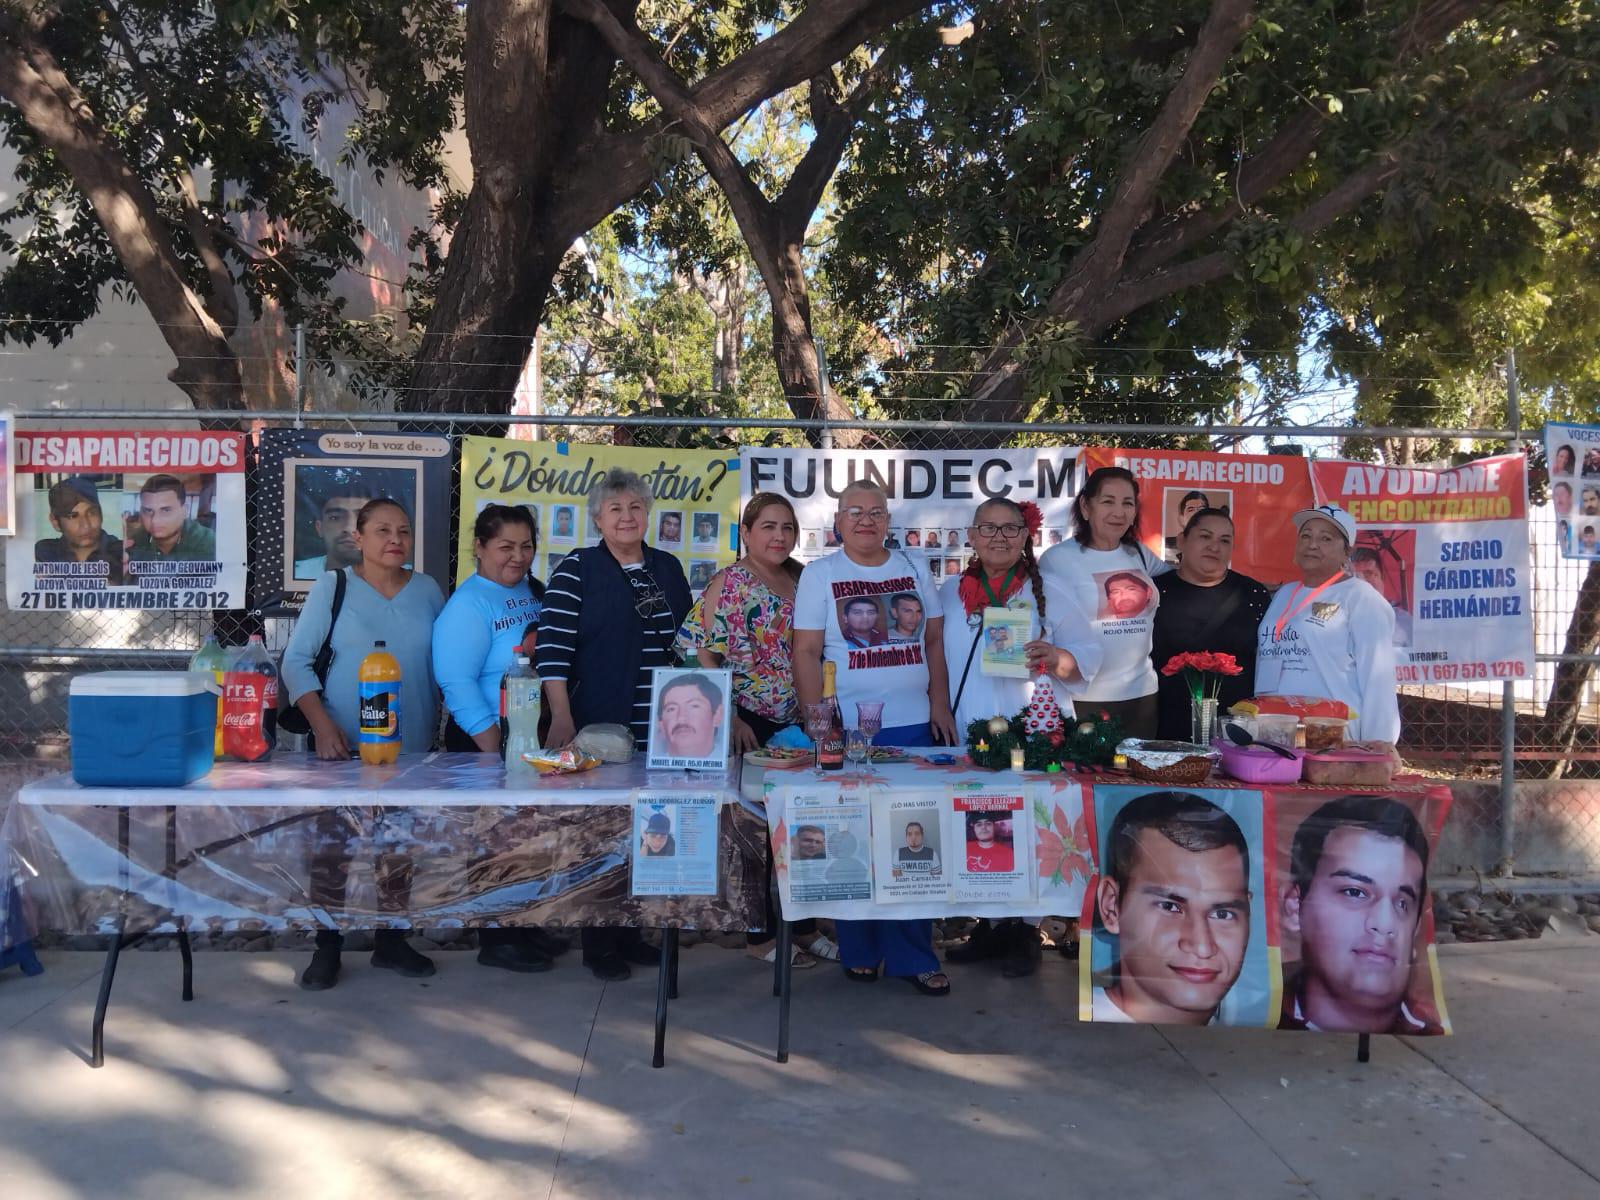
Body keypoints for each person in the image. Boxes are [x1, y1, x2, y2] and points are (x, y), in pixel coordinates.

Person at [794, 480, 956, 997]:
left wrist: (939, 702)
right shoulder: (821, 574)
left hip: (913, 725)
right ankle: (859, 950)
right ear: (837, 522)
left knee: (914, 839)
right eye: (855, 512)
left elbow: (934, 641)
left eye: (876, 512)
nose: (866, 520)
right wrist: (818, 719)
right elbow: (806, 652)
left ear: (888, 521)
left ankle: (913, 956)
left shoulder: (913, 567)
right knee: (852, 837)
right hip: (845, 728)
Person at [284, 498, 446, 990]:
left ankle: (391, 941)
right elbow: (296, 662)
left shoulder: (428, 590)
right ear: (359, 537)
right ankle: (327, 945)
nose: (395, 539)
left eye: (403, 531)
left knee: (397, 847)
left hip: (408, 748)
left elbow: (447, 660)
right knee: (333, 848)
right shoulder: (333, 587)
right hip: (341, 749)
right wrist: (322, 727)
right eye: (382, 530)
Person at [537, 468, 692, 981]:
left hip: (663, 730)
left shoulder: (667, 567)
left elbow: (687, 644)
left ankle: (632, 932)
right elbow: (553, 649)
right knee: (601, 832)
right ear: (598, 519)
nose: (627, 517)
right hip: (597, 725)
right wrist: (562, 715)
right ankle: (598, 942)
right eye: (615, 509)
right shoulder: (577, 569)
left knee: (648, 828)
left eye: (635, 507)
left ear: (648, 514)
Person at [940, 497, 1098, 975]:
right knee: (981, 826)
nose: (999, 538)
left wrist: (1057, 658)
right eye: (988, 528)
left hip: (1035, 729)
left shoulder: (1051, 589)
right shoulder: (949, 593)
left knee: (1031, 826)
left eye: (1010, 528)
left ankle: (1025, 931)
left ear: (1026, 535)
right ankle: (990, 925)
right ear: (972, 536)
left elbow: (1089, 653)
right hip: (973, 728)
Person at [430, 503, 564, 973]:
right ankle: (496, 938)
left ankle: (522, 924)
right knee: (492, 840)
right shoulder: (468, 604)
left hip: (527, 738)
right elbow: (455, 681)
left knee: (526, 838)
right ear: (480, 547)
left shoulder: (533, 590)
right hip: (485, 740)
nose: (518, 556)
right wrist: (493, 746)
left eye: (526, 546)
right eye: (506, 546)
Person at [1280, 795, 1442, 1034]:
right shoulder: (1261, 1009)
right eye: (1354, 892)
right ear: (1295, 906)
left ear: (1416, 927)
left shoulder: (1427, 1026)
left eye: (1402, 903)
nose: (1385, 923)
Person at [1092, 791, 1252, 1025]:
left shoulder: (1251, 1038)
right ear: (1111, 907)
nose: (1202, 947)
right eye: (1170, 907)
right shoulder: (1069, 1032)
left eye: (1222, 914)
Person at [1039, 466, 1171, 737]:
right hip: (1083, 698)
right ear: (1085, 507)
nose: (1119, 512)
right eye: (1108, 501)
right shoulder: (1057, 560)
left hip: (1142, 697)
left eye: (1127, 503)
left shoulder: (1139, 553)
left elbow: (1182, 580)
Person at [1256, 504, 1401, 743]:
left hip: (1332, 735)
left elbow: (1377, 676)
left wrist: (1379, 741)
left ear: (1347, 552)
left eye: (1326, 538)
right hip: (1276, 731)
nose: (1312, 544)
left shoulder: (1360, 598)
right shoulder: (1285, 594)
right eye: (1306, 536)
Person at [1151, 509, 1271, 741]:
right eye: (1205, 536)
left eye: (1224, 541)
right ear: (1182, 540)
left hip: (1235, 734)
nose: (1214, 547)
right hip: (1164, 732)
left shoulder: (1253, 594)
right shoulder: (1153, 592)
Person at [33, 476, 125, 584]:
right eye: (73, 516)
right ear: (55, 522)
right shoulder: (43, 554)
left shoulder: (123, 554)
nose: (85, 525)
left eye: (91, 513)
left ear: (101, 515)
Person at [126, 474, 215, 561]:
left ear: (184, 511)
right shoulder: (136, 540)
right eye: (148, 511)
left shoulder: (208, 542)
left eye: (166, 510)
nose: (155, 521)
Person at [293, 486, 371, 579]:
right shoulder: (294, 573)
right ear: (319, 528)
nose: (349, 528)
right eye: (335, 518)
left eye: (362, 518)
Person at [1350, 545, 1413, 647]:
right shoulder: (1337, 623)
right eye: (1356, 577)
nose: (1363, 582)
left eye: (1369, 574)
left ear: (1382, 579)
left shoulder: (1404, 621)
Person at [655, 672, 725, 758]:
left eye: (694, 706)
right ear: (661, 724)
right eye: (671, 709)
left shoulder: (729, 763)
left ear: (717, 715)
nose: (681, 718)